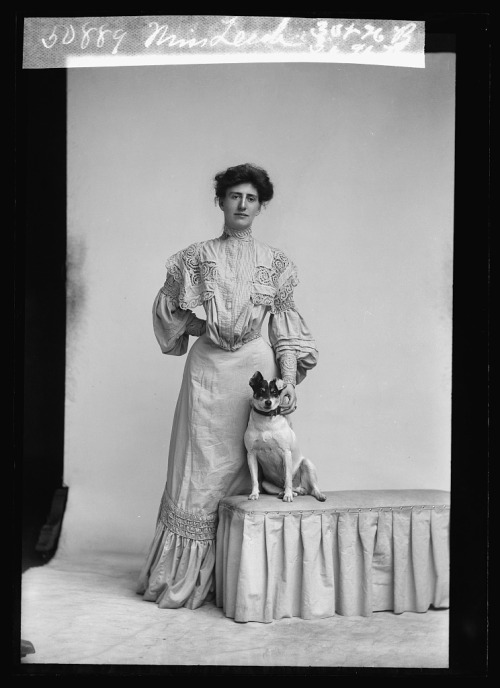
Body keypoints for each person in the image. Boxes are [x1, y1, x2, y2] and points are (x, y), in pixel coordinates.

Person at [136, 163, 318, 609]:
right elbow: (169, 313)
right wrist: (205, 325)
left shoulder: (277, 264)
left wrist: (289, 379)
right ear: (220, 201)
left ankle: (241, 581)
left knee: (247, 462)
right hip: (208, 370)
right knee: (200, 468)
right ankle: (186, 578)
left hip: (254, 368)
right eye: (234, 196)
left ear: (261, 206)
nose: (242, 204)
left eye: (251, 198)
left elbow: (285, 327)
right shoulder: (194, 258)